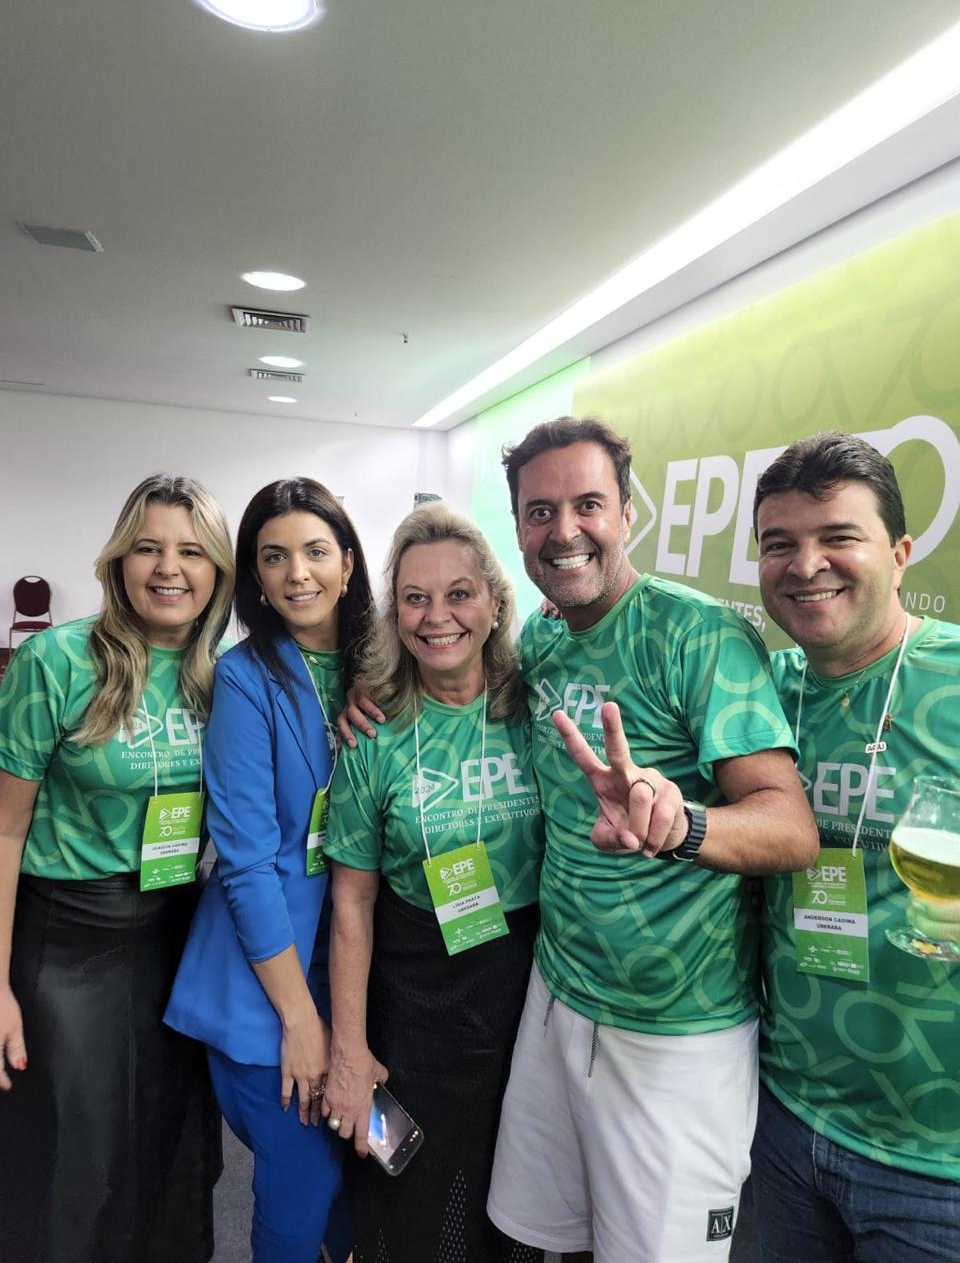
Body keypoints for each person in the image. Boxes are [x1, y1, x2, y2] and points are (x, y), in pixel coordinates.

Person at [481, 416, 820, 1263]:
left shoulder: (696, 633)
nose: (564, 532)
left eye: (588, 504)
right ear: (517, 527)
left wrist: (682, 824)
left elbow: (790, 825)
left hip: (676, 1034)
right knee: (551, 1240)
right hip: (558, 996)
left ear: (628, 513)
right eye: (539, 512)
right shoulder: (543, 637)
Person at [0, 474, 233, 1263]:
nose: (170, 569)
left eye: (192, 551)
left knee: (170, 1154)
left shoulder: (225, 676)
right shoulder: (54, 661)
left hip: (175, 938)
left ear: (218, 571)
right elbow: (3, 832)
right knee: (73, 1159)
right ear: (119, 560)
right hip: (66, 944)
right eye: (149, 547)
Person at [748, 433, 960, 1261]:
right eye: (780, 544)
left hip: (937, 1162)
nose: (807, 566)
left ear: (901, 554)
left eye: (838, 537)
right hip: (785, 1119)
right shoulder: (763, 691)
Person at [323, 502, 544, 1263]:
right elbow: (351, 899)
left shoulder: (537, 706)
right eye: (415, 597)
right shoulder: (372, 732)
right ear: (394, 612)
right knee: (408, 1195)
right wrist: (349, 1053)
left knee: (512, 1196)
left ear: (494, 604)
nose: (437, 615)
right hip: (412, 997)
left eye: (459, 593)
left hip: (526, 993)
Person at [165, 477, 374, 1263]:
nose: (298, 574)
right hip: (270, 980)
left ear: (348, 564)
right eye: (274, 556)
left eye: (316, 551)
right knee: (297, 1191)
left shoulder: (382, 665)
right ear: (253, 575)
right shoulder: (247, 679)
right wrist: (302, 1023)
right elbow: (246, 865)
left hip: (360, 965)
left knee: (361, 1184)